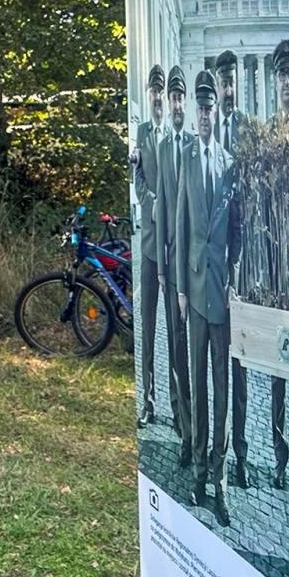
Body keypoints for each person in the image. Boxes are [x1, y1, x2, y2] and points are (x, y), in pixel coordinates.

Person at [239, 39, 289, 509]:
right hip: (273, 269)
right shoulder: (266, 136)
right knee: (277, 367)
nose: (288, 83)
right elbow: (257, 208)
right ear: (274, 82)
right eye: (282, 77)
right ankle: (279, 455)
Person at [174, 69, 242, 527]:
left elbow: (235, 230)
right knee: (197, 384)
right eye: (198, 108)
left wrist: (234, 273)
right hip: (194, 292)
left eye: (208, 107)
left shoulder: (230, 162)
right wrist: (179, 287)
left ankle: (218, 476)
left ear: (217, 112)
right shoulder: (185, 160)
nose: (202, 115)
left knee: (223, 386)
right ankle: (197, 470)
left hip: (223, 291)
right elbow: (179, 227)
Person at [213, 49, 253, 488]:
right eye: (221, 81)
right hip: (211, 257)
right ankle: (217, 446)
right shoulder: (204, 134)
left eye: (230, 81)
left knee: (238, 362)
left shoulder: (247, 130)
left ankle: (240, 452)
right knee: (216, 361)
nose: (226, 88)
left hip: (238, 255)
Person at [156, 65, 194, 464]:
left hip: (197, 267)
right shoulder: (166, 147)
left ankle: (197, 426)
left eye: (182, 99)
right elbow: (164, 204)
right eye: (175, 99)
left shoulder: (196, 144)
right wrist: (164, 270)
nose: (179, 105)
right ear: (168, 103)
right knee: (176, 346)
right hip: (170, 257)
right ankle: (182, 423)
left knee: (198, 350)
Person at [131, 63, 167, 428]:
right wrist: (151, 201)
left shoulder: (178, 133)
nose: (158, 97)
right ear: (149, 94)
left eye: (162, 92)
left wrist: (166, 206)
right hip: (149, 244)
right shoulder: (141, 133)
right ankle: (148, 401)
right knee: (147, 327)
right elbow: (136, 176)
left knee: (174, 330)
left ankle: (177, 407)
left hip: (173, 246)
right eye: (154, 92)